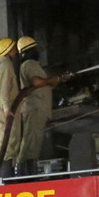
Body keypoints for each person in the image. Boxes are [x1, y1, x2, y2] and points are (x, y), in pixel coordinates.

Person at [13, 36, 71, 176]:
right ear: (30, 51)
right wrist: (56, 79)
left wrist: (60, 79)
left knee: (33, 143)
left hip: (36, 108)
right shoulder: (30, 64)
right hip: (34, 108)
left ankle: (26, 174)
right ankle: (25, 176)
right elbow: (37, 82)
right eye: (35, 48)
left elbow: (45, 82)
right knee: (30, 144)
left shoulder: (31, 65)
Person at [0, 38, 22, 178]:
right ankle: (5, 180)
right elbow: (4, 90)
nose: (15, 51)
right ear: (7, 51)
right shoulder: (5, 65)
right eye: (13, 48)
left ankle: (5, 178)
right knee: (8, 147)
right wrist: (8, 109)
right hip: (5, 113)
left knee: (5, 145)